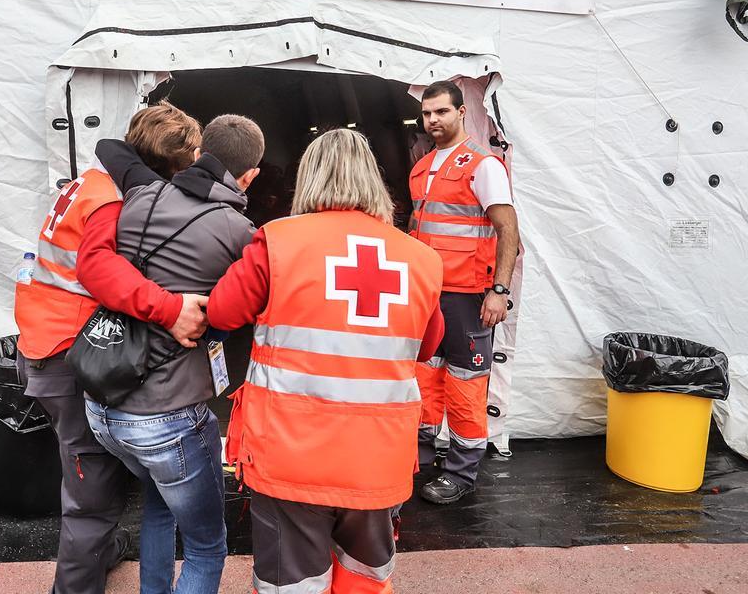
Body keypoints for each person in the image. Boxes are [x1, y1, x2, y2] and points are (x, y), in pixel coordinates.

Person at [207, 128, 444, 593]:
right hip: (380, 458)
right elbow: (429, 345)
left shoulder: (277, 241)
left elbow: (222, 312)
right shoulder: (421, 259)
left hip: (290, 457)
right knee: (365, 579)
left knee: (291, 585)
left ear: (309, 178)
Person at [13, 102, 207, 594]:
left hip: (42, 339)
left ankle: (101, 552)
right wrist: (169, 308)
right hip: (66, 354)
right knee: (91, 492)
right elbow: (99, 270)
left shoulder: (90, 181)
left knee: (89, 474)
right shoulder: (110, 201)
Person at [77, 114, 265, 594]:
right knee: (206, 547)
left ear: (201, 154)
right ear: (251, 177)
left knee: (161, 504)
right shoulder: (239, 231)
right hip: (167, 419)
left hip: (103, 406)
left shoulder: (142, 195)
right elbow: (242, 309)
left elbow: (111, 147)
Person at [408, 80, 520, 505]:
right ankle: (419, 455)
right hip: (427, 294)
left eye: (441, 112)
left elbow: (508, 229)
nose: (433, 120)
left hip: (467, 297)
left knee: (465, 384)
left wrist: (499, 291)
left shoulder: (483, 166)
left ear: (460, 113)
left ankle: (461, 471)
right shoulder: (421, 168)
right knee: (424, 376)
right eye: (427, 114)